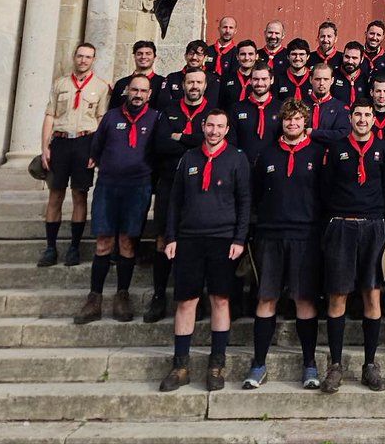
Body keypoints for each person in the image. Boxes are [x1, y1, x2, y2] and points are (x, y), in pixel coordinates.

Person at [158, 107, 251, 393]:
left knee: (221, 300)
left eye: (219, 127)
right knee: (186, 302)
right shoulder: (189, 157)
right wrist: (171, 236)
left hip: (223, 240)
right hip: (189, 239)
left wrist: (239, 239)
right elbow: (175, 201)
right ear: (203, 126)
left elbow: (245, 201)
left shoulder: (237, 158)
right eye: (210, 126)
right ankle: (181, 364)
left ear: (226, 130)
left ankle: (216, 363)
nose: (214, 131)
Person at [242, 99, 326, 391]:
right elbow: (254, 194)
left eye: (297, 119)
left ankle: (309, 363)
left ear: (305, 122)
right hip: (270, 235)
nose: (292, 124)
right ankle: (259, 363)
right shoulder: (266, 154)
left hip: (305, 237)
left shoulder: (318, 153)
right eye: (288, 119)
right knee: (267, 299)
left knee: (304, 300)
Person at [319, 100, 385, 394]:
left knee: (372, 295)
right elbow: (326, 187)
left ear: (374, 118)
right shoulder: (337, 149)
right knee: (337, 295)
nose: (363, 120)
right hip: (341, 223)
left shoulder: (383, 149)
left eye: (367, 115)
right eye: (358, 115)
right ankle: (335, 365)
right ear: (350, 118)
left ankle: (370, 365)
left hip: (373, 225)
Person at [73, 74, 158, 324]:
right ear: (127, 91)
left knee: (128, 243)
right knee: (103, 243)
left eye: (143, 91)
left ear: (149, 94)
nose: (138, 95)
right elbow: (96, 148)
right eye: (134, 90)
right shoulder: (111, 117)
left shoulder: (154, 119)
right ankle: (94, 298)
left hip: (138, 187)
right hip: (109, 186)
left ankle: (122, 295)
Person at [146, 68, 213, 322]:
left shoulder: (211, 112)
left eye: (199, 82)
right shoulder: (169, 110)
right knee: (163, 238)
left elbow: (209, 142)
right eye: (190, 81)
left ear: (205, 85)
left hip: (199, 185)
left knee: (198, 240)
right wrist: (193, 141)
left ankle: (198, 296)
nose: (194, 86)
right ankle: (159, 296)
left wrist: (180, 137)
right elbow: (161, 144)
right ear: (183, 84)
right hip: (169, 182)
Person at [38, 42, 109, 268]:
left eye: (88, 57)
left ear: (93, 60)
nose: (83, 60)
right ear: (74, 57)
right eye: (80, 56)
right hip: (60, 140)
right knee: (55, 194)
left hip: (85, 141)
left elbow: (100, 119)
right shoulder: (60, 84)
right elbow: (50, 115)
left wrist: (97, 151)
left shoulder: (101, 87)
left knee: (80, 194)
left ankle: (74, 247)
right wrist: (44, 147)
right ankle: (50, 247)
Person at [228, 63, 280, 164]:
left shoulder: (281, 108)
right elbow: (231, 142)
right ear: (250, 81)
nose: (260, 83)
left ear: (272, 80)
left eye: (264, 79)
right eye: (256, 79)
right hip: (243, 164)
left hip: (273, 165)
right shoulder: (236, 109)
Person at [159, 40, 219, 107]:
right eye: (191, 54)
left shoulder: (213, 79)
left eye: (199, 55)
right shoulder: (172, 78)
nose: (194, 57)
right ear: (185, 56)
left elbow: (211, 104)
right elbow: (163, 102)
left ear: (205, 58)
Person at [109, 41, 163, 108]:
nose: (143, 56)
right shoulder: (121, 83)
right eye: (139, 54)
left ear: (154, 57)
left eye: (148, 54)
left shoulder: (162, 84)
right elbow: (112, 111)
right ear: (134, 56)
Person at [307, 62, 350, 142]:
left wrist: (313, 133)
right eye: (317, 79)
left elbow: (342, 134)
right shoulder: (300, 105)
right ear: (310, 80)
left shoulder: (341, 108)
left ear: (332, 80)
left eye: (326, 79)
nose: (321, 83)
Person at [220, 40, 264, 111]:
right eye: (243, 54)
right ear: (237, 56)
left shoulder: (262, 81)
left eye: (250, 54)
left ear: (256, 56)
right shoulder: (226, 79)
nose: (246, 58)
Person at [331, 40, 369, 107]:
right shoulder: (332, 76)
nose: (350, 61)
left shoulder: (366, 79)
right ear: (343, 56)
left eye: (354, 58)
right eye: (347, 57)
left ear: (362, 59)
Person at [274, 38, 313, 102]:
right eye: (294, 54)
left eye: (301, 54)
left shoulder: (314, 78)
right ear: (288, 56)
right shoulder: (278, 78)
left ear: (308, 56)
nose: (297, 58)